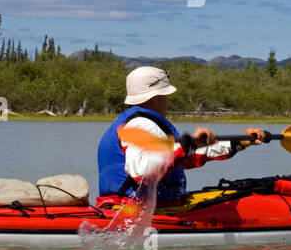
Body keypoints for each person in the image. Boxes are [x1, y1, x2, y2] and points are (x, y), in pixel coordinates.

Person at [97, 66, 264, 206]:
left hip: (124, 206)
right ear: (154, 98)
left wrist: (237, 143)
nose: (167, 99)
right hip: (136, 210)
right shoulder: (142, 124)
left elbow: (184, 158)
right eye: (165, 94)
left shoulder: (134, 121)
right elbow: (143, 171)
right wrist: (188, 145)